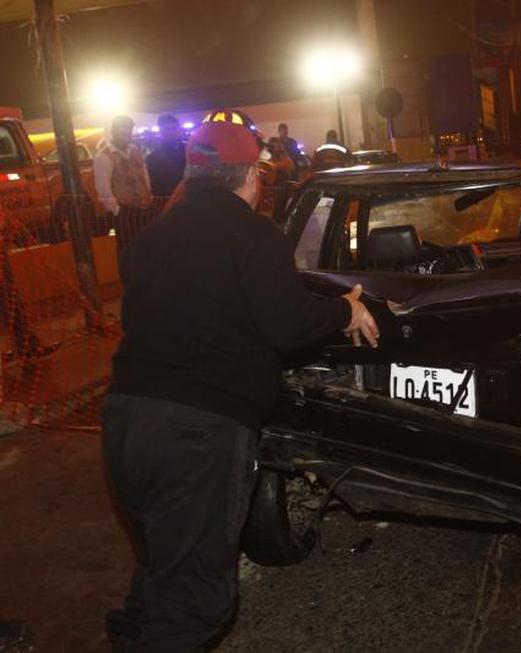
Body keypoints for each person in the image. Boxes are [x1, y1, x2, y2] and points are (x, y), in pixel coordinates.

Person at [101, 120, 380, 651]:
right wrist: (344, 310)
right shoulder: (252, 234)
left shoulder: (150, 238)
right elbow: (287, 324)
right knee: (195, 602)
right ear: (250, 176)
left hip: (125, 422)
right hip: (198, 434)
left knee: (162, 569)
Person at [94, 115, 153, 256]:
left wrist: (149, 193)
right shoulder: (104, 156)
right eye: (123, 130)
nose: (127, 134)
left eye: (129, 130)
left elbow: (143, 174)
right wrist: (117, 211)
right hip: (125, 212)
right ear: (113, 131)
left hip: (144, 208)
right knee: (128, 251)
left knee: (147, 249)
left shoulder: (135, 150)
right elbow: (103, 188)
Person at [146, 113, 186, 198]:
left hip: (188, 198)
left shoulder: (189, 151)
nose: (171, 132)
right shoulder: (153, 157)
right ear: (161, 132)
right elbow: (154, 184)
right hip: (165, 199)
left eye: (174, 128)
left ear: (179, 130)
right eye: (167, 129)